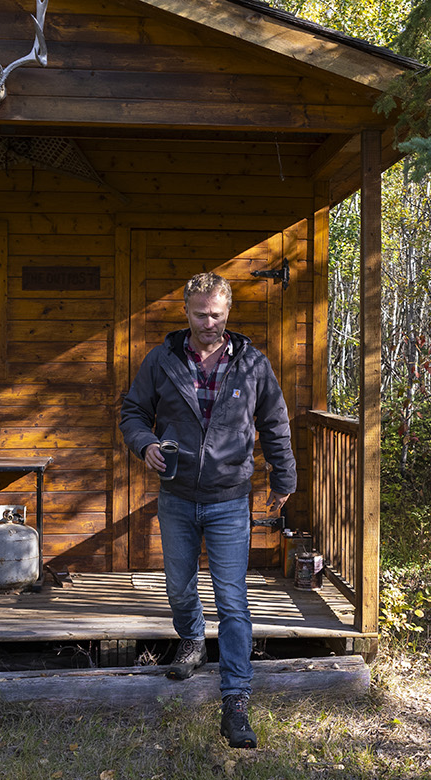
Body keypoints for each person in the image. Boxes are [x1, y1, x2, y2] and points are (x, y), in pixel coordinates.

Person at [119, 271, 297, 749]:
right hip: (176, 498)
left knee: (233, 602)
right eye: (201, 314)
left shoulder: (253, 365)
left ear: (228, 312)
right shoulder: (162, 359)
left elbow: (275, 423)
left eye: (218, 314)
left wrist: (284, 480)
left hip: (228, 501)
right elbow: (132, 412)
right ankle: (193, 638)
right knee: (179, 588)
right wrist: (145, 444)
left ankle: (236, 702)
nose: (210, 323)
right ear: (186, 311)